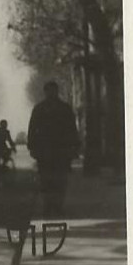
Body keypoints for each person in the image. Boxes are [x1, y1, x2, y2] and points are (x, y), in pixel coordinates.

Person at [26, 80, 80, 217]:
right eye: (49, 91)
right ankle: (51, 206)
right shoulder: (62, 108)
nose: (51, 93)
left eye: (52, 91)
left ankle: (54, 206)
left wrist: (74, 147)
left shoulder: (43, 108)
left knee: (56, 180)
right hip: (53, 151)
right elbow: (32, 129)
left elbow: (72, 129)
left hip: (55, 150)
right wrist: (32, 146)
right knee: (51, 180)